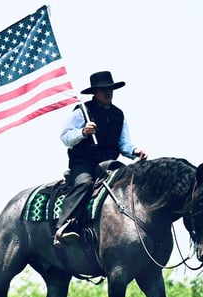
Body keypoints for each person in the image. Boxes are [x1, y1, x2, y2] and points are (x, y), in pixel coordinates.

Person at [54, 70, 148, 247]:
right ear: (95, 92)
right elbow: (65, 137)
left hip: (109, 164)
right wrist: (83, 132)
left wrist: (135, 151)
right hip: (84, 163)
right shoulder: (83, 111)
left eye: (110, 89)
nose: (108, 93)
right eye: (103, 89)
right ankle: (63, 227)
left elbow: (124, 143)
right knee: (84, 184)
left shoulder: (118, 114)